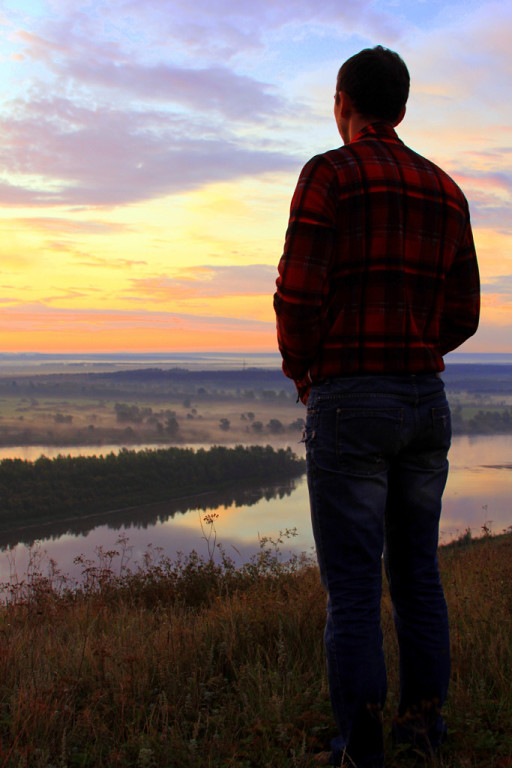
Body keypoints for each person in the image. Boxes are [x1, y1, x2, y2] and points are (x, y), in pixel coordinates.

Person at [274, 46, 480, 768]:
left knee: (355, 587)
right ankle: (422, 735)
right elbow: (465, 314)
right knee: (418, 576)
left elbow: (298, 294)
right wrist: (415, 344)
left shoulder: (328, 175)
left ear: (342, 103)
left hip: (351, 401)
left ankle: (360, 752)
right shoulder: (447, 190)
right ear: (402, 107)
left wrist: (305, 370)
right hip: (425, 402)